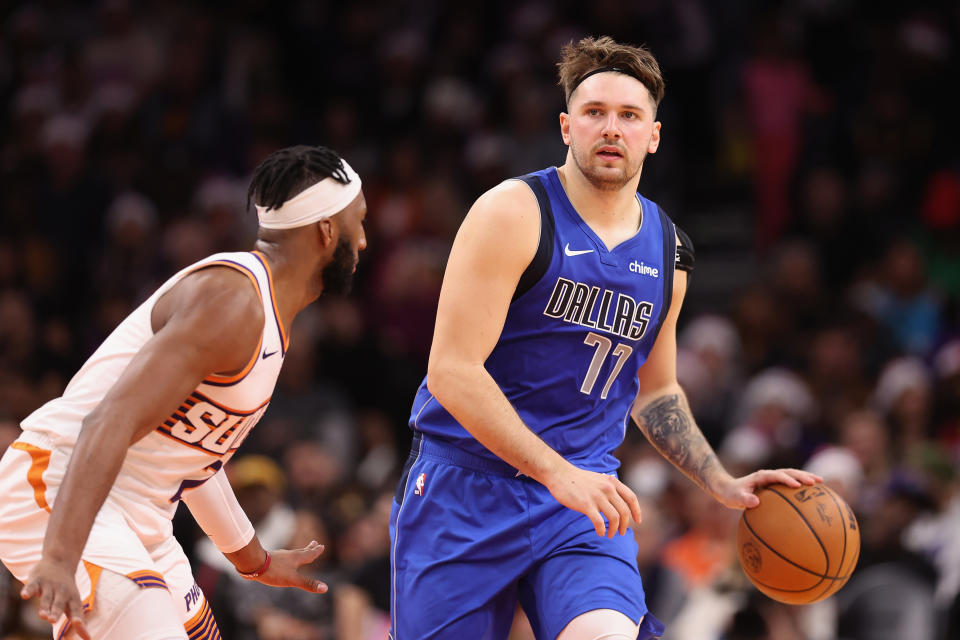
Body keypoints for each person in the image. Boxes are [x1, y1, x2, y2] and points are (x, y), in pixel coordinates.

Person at [389, 36, 821, 640]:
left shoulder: (669, 253)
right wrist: (551, 471)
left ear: (654, 135)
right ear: (567, 127)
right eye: (594, 113)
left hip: (582, 498)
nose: (610, 128)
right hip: (467, 489)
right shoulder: (512, 212)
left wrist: (719, 480)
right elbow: (453, 371)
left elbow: (656, 391)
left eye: (629, 116)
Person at [0, 144, 368, 640]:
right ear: (326, 231)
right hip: (61, 487)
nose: (363, 240)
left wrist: (254, 560)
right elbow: (107, 421)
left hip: (141, 518)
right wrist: (61, 556)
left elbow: (194, 461)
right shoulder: (233, 302)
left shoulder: (270, 323)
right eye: (357, 222)